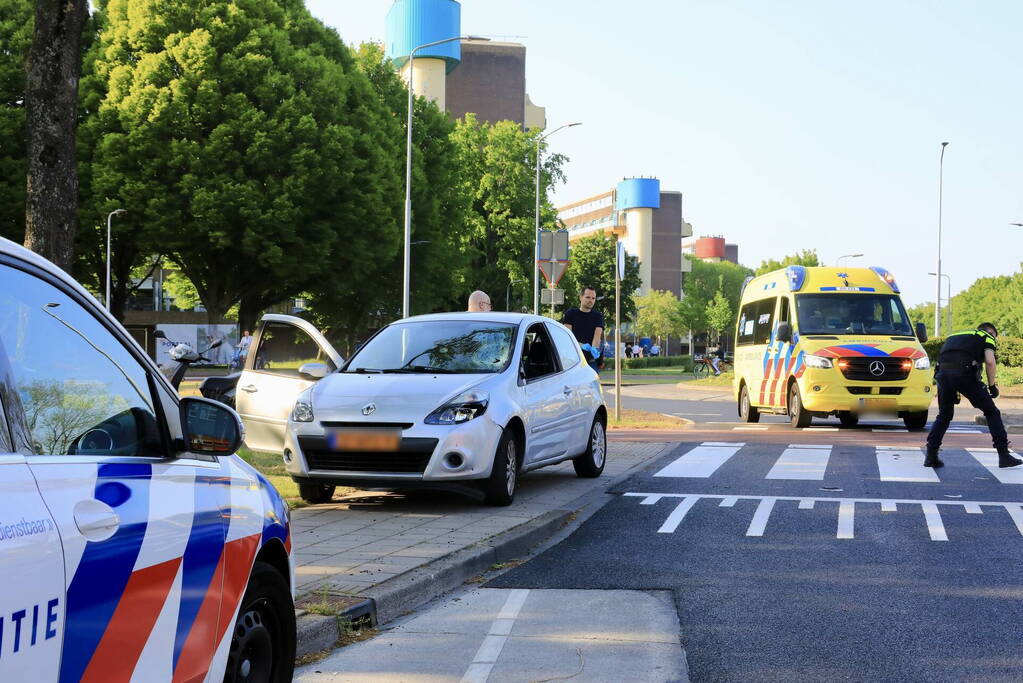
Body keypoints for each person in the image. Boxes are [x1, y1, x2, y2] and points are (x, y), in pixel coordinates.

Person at [925, 322, 1021, 468]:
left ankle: (931, 455)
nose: (994, 340)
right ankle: (1004, 455)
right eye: (995, 337)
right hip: (965, 373)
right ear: (991, 332)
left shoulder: (954, 336)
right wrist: (992, 386)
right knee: (991, 412)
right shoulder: (987, 336)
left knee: (944, 415)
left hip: (942, 375)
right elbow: (990, 362)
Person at [562, 286, 604, 371]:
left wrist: (594, 349)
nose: (591, 300)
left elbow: (597, 336)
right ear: (580, 297)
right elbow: (568, 337)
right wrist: (582, 346)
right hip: (573, 359)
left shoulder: (598, 316)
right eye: (588, 297)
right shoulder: (570, 314)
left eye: (593, 298)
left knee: (592, 383)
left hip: (590, 360)